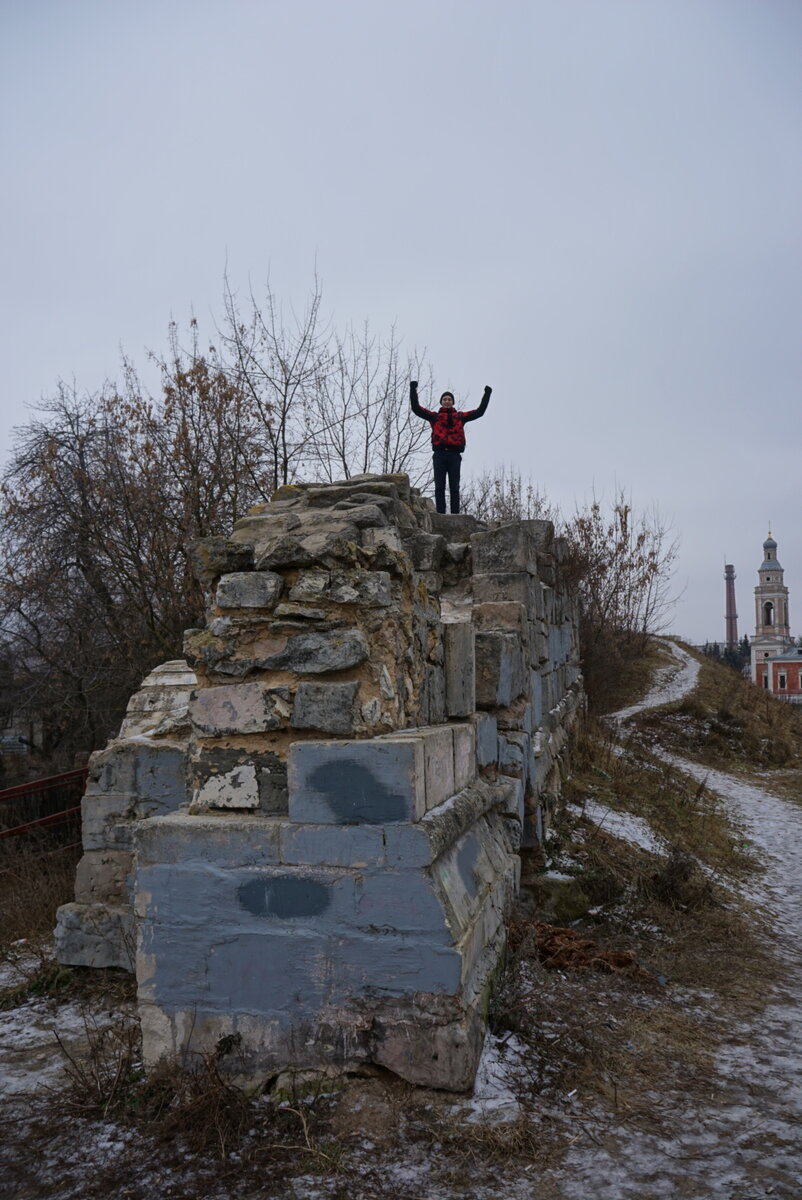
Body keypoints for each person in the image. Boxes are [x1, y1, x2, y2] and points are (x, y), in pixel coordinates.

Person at [410, 381, 492, 514]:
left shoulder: (459, 417)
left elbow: (479, 412)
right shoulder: (435, 417)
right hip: (440, 454)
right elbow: (416, 408)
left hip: (454, 455)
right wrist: (413, 389)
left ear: (452, 402)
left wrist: (487, 393)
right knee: (439, 486)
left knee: (454, 487)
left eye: (449, 399)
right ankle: (441, 514)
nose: (447, 401)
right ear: (441, 402)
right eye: (444, 399)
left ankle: (455, 514)